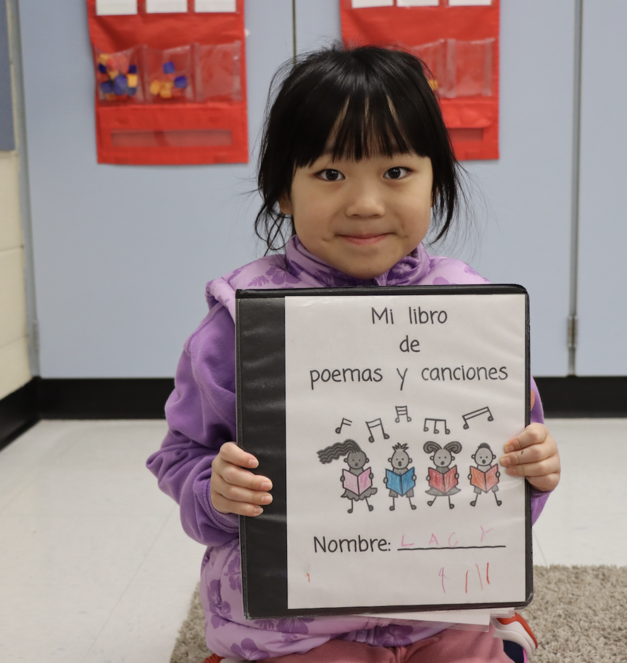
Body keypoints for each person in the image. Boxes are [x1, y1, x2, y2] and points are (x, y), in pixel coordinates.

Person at [147, 44, 562, 663]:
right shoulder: (240, 320)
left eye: (396, 173)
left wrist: (534, 475)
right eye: (330, 174)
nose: (366, 203)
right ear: (283, 190)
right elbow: (179, 453)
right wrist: (213, 490)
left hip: (441, 611)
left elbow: (511, 453)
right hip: (295, 628)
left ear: (435, 180)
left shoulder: (473, 313)